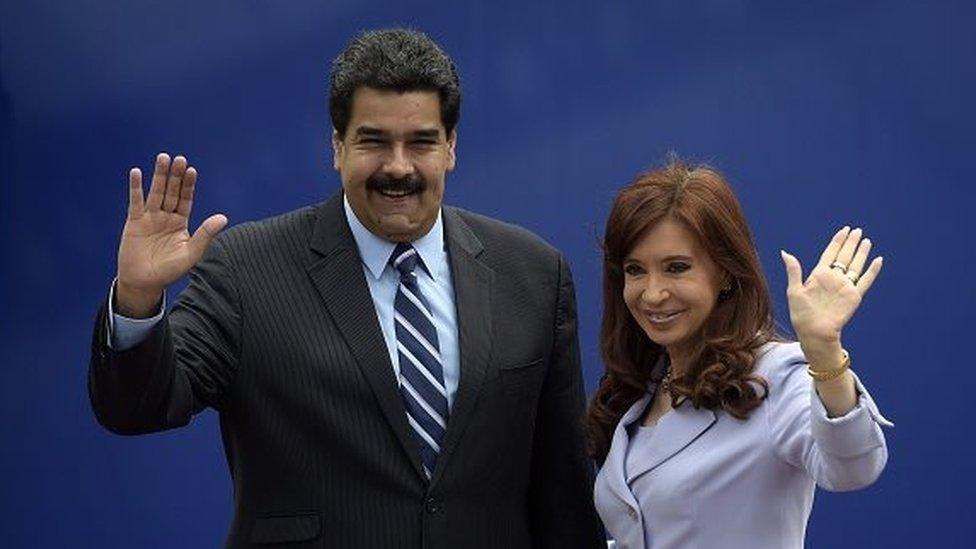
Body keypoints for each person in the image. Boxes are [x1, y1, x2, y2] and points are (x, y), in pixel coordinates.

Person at [89, 28, 604, 548]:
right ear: (338, 147)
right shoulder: (247, 267)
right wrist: (137, 298)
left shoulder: (533, 273)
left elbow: (563, 490)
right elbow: (139, 407)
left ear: (451, 147)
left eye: (421, 141)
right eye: (373, 141)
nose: (398, 167)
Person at [587, 160, 892, 548]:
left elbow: (854, 467)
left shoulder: (774, 374)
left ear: (726, 272)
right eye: (635, 270)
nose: (652, 293)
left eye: (676, 268)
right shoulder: (640, 392)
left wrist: (826, 355)